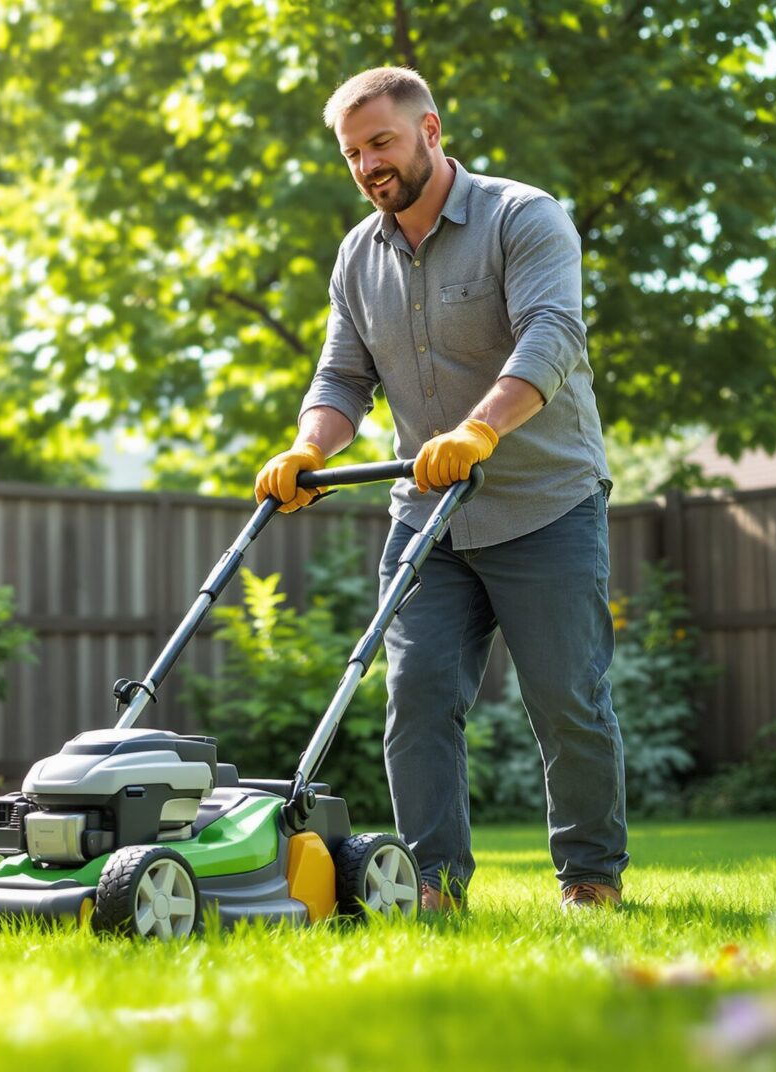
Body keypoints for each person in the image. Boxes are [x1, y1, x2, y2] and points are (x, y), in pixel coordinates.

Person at [253, 66, 627, 913]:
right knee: (416, 697)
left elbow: (552, 333)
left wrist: (480, 428)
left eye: (381, 142)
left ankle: (592, 879)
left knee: (567, 699)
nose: (368, 165)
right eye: (352, 153)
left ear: (429, 131)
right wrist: (309, 447)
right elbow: (343, 377)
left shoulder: (521, 217)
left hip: (545, 502)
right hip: (429, 521)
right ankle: (433, 886)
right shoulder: (358, 254)